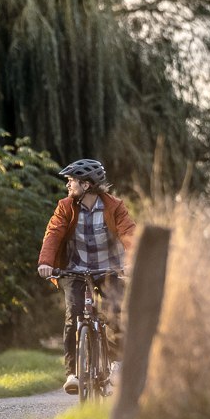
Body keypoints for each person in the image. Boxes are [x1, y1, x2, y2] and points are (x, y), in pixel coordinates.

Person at [37, 158, 136, 394]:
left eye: (72, 181)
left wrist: (132, 261)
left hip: (108, 268)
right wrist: (46, 263)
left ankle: (116, 365)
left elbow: (129, 233)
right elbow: (53, 233)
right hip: (74, 268)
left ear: (87, 185)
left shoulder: (114, 207)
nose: (68, 185)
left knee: (115, 310)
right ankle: (72, 373)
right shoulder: (65, 207)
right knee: (73, 314)